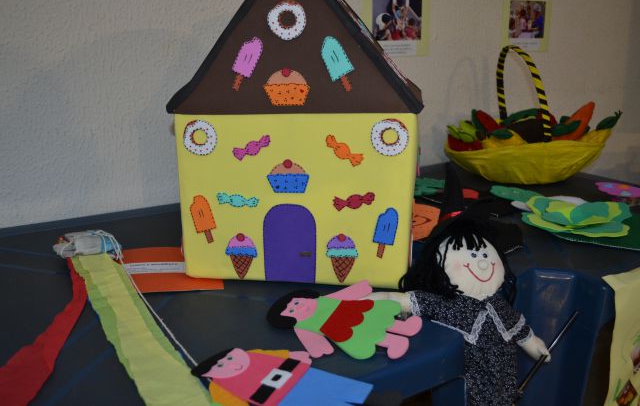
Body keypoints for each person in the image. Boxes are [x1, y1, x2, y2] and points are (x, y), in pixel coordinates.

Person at [367, 166, 550, 406]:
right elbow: (404, 301)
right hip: (465, 394)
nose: (482, 262)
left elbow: (517, 325)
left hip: (504, 388)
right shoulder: (448, 305)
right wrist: (365, 302)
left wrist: (532, 342)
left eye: (483, 254)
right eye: (473, 256)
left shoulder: (498, 305)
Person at [267, 280, 422, 360]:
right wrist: (320, 348)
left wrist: (361, 288)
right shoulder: (301, 325)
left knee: (379, 317)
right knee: (369, 335)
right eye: (291, 310)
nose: (299, 307)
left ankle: (405, 327)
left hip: (357, 310)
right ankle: (395, 343)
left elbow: (343, 295)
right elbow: (310, 339)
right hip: (344, 331)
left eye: (296, 302)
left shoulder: (323, 300)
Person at [191, 347, 375, 405]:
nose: (228, 363)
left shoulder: (252, 354)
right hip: (281, 398)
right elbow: (229, 401)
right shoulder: (218, 385)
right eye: (220, 365)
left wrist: (290, 354)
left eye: (228, 358)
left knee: (337, 387)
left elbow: (273, 354)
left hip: (301, 377)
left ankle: (369, 397)